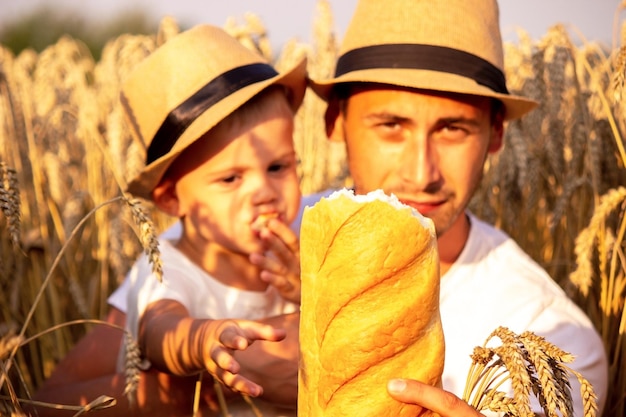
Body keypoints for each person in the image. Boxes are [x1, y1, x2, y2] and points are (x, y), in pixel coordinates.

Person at [34, 0, 610, 416]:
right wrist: (209, 382)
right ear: (334, 123)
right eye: (390, 126)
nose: (421, 170)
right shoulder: (241, 232)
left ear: (494, 137)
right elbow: (52, 399)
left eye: (454, 129)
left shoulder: (553, 343)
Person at [30, 24, 307, 417]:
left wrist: (305, 285)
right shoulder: (168, 270)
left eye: (278, 166)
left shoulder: (307, 232)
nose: (264, 191)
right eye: (231, 179)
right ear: (173, 198)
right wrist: (202, 340)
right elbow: (158, 329)